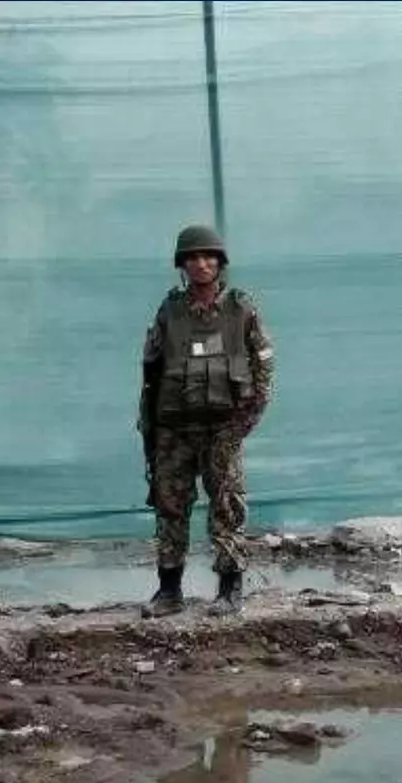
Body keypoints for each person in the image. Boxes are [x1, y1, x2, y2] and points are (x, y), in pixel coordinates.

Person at [138, 224, 275, 617]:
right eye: (193, 257)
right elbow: (151, 373)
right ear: (182, 265)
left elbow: (264, 368)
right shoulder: (170, 311)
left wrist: (243, 424)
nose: (201, 264)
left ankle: (230, 591)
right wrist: (153, 431)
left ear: (220, 263)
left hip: (223, 429)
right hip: (175, 431)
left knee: (227, 507)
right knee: (170, 508)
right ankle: (169, 592)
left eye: (208, 256)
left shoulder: (241, 310)